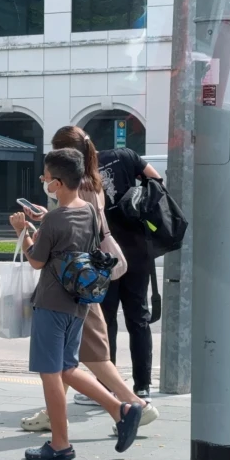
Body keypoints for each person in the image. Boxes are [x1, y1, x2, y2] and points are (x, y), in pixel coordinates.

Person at [19, 126, 159, 434]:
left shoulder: (79, 189)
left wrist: (31, 231)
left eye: (48, 173)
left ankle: (133, 406)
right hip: (83, 277)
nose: (44, 179)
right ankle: (57, 415)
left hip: (70, 283)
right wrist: (51, 217)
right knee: (71, 358)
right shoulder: (90, 180)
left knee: (84, 357)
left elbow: (47, 252)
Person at [97, 146, 163, 399]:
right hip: (137, 249)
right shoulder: (126, 155)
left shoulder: (84, 169)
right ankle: (142, 386)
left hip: (105, 253)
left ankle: (107, 386)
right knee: (138, 319)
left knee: (107, 321)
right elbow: (156, 179)